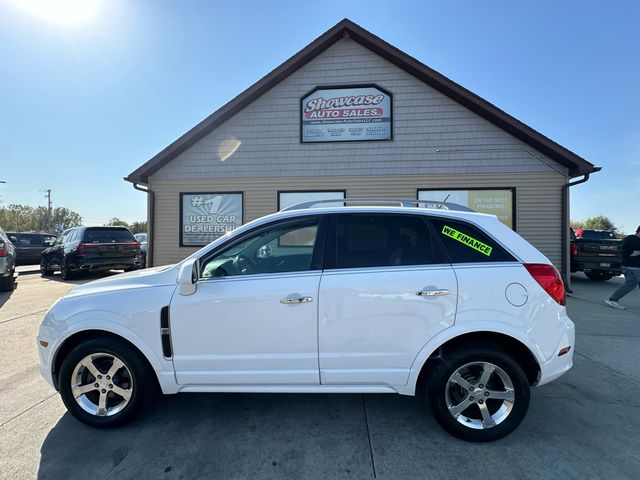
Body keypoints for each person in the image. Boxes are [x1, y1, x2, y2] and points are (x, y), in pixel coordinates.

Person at [605, 225, 640, 310]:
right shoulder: (631, 239)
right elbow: (628, 253)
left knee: (632, 284)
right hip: (631, 267)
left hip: (636, 267)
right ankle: (613, 299)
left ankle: (613, 299)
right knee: (630, 284)